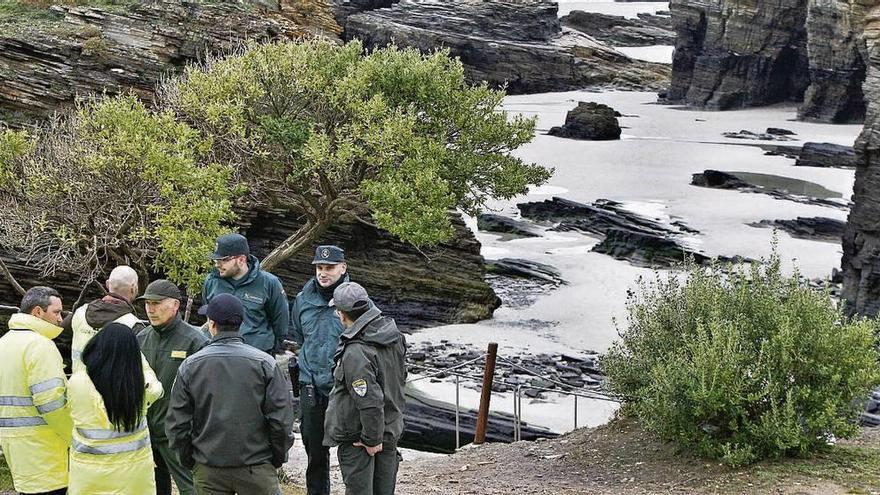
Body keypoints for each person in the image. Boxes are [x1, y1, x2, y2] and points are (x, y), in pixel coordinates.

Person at [167, 293, 295, 495]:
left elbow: (177, 423)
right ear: (241, 323)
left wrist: (189, 460)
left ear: (211, 324)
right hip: (256, 466)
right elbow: (281, 419)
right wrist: (277, 457)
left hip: (208, 467)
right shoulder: (265, 364)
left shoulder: (190, 366)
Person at [324, 282, 407, 495]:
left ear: (342, 315)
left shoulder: (356, 352)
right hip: (390, 428)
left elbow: (369, 400)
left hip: (360, 438)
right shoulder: (394, 335)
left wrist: (371, 440)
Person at [68, 323, 164, 495]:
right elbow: (157, 389)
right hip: (134, 475)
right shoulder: (140, 387)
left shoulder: (78, 383)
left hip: (89, 474)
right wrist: (135, 357)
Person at [137, 279, 209, 495]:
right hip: (146, 432)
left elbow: (204, 394)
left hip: (178, 435)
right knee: (153, 488)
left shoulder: (195, 341)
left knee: (192, 488)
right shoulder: (141, 338)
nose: (151, 309)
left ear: (176, 305)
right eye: (147, 304)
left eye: (157, 303)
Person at [289, 244, 349, 495]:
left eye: (329, 268)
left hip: (344, 388)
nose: (323, 273)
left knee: (351, 450)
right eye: (319, 268)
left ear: (343, 268)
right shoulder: (302, 300)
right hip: (310, 385)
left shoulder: (355, 298)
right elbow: (300, 338)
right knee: (314, 452)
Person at [0, 286, 72, 495]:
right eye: (57, 312)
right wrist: (74, 437)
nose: (60, 319)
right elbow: (52, 404)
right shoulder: (40, 346)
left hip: (15, 446)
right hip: (45, 450)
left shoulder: (4, 343)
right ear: (38, 312)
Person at [202, 233, 289, 354]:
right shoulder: (211, 281)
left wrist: (268, 350)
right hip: (219, 354)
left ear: (241, 259)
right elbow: (209, 315)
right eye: (216, 260)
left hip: (256, 356)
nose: (217, 264)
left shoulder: (269, 283)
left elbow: (280, 323)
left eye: (223, 260)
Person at [62, 265, 144, 373]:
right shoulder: (133, 325)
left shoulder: (80, 312)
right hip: (113, 389)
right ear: (133, 288)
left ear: (107, 284)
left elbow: (59, 336)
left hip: (78, 386)